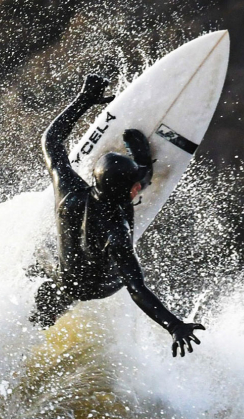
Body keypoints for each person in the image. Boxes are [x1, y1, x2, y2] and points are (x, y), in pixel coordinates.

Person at [29, 74, 205, 357]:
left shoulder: (68, 189)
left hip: (65, 273)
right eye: (136, 184)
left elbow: (51, 142)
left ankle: (37, 316)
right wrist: (173, 325)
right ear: (132, 190)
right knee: (113, 269)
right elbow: (136, 288)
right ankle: (145, 165)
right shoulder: (118, 230)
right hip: (98, 286)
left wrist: (83, 100)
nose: (137, 188)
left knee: (44, 268)